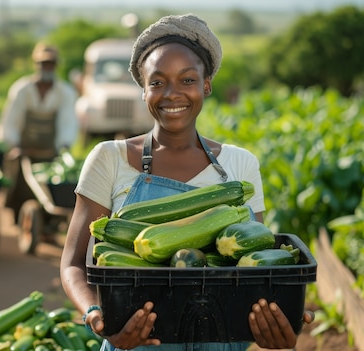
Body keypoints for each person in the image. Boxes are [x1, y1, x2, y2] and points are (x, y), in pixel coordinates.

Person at [59, 13, 313, 351]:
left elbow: (252, 266)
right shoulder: (109, 158)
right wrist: (96, 315)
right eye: (158, 82)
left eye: (187, 80)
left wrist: (273, 324)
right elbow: (74, 263)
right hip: (133, 343)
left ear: (206, 84)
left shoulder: (241, 164)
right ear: (143, 89)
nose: (172, 94)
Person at [0, 41, 79, 219]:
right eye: (43, 64)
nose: (46, 67)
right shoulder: (22, 89)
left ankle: (49, 221)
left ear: (55, 66)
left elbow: (67, 123)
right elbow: (11, 120)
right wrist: (14, 143)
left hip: (51, 152)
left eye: (50, 64)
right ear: (36, 65)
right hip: (24, 149)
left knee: (51, 187)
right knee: (19, 184)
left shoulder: (65, 92)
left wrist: (63, 147)